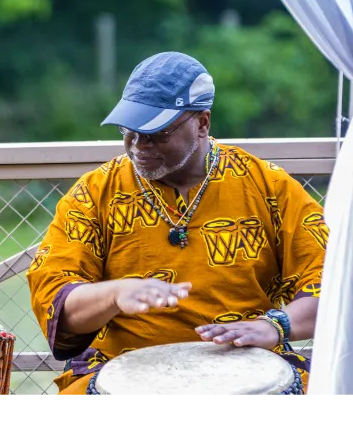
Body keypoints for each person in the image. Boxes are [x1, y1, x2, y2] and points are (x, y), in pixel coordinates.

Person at [27, 51, 327, 395]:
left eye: (157, 133)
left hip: (249, 368)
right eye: (129, 130)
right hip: (120, 369)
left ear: (202, 123)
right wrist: (113, 294)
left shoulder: (268, 186)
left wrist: (275, 326)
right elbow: (56, 300)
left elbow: (334, 285)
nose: (139, 145)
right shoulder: (95, 192)